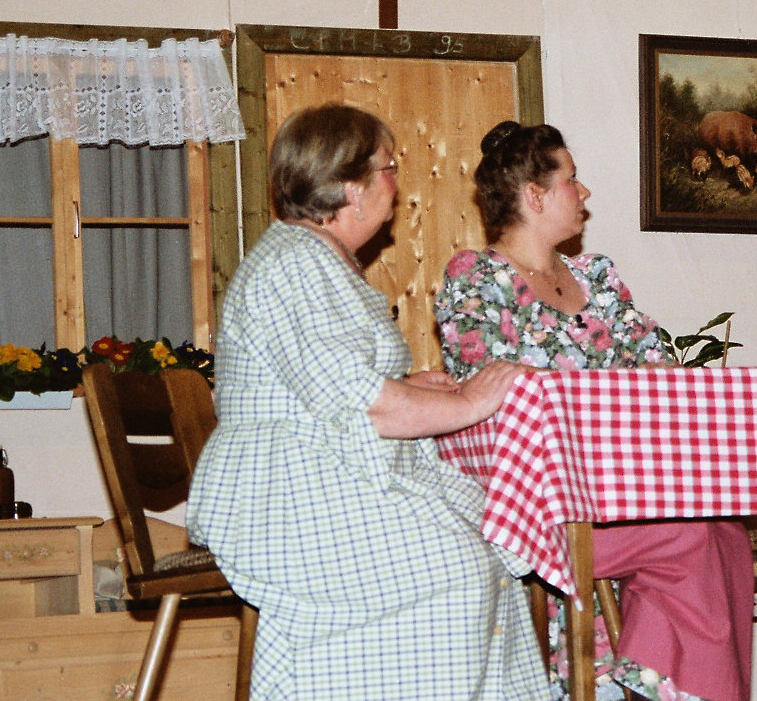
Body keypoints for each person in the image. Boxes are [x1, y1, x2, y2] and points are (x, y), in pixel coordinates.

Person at [186, 103, 549, 701]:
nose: (395, 184)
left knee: (490, 545)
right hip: (287, 492)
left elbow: (342, 381)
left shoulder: (317, 259)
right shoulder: (294, 264)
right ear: (352, 188)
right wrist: (471, 403)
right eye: (389, 167)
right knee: (456, 571)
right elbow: (368, 406)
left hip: (316, 469)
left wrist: (421, 388)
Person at [435, 120, 754, 701]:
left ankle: (638, 681)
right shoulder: (477, 280)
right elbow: (489, 389)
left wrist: (659, 376)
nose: (584, 195)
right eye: (572, 181)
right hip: (537, 506)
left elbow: (655, 365)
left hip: (621, 492)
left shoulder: (596, 278)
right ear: (535, 195)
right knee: (691, 535)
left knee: (724, 531)